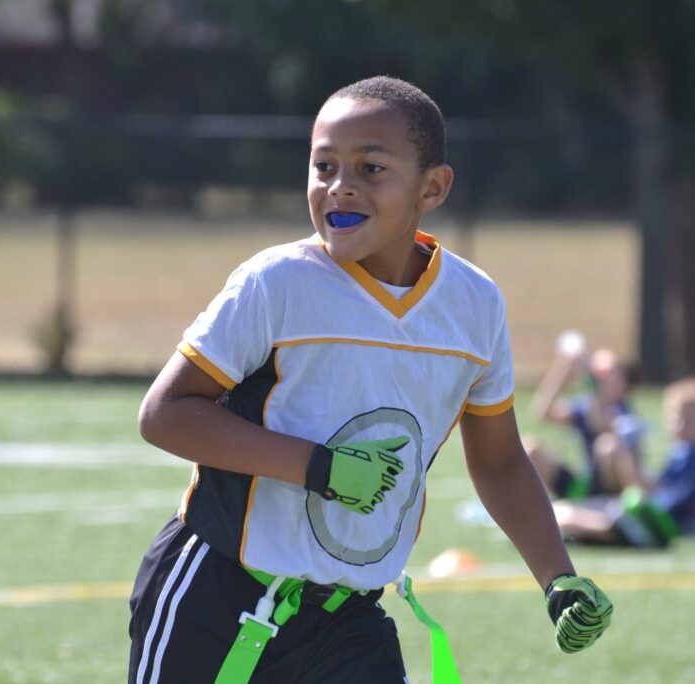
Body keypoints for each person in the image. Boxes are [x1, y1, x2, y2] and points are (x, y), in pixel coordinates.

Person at [129, 76, 612, 683]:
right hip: (216, 594)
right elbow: (166, 412)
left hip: (348, 619)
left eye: (372, 168)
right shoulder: (276, 283)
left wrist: (556, 576)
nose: (341, 186)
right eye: (323, 165)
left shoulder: (475, 305)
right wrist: (318, 467)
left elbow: (500, 461)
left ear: (432, 187)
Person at [554, 377, 695, 548]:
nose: (676, 424)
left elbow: (660, 500)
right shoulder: (682, 451)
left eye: (685, 419)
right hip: (648, 521)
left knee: (565, 517)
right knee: (564, 511)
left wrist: (627, 454)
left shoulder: (688, 454)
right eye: (674, 417)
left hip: (652, 526)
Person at [525, 338, 645, 500]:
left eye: (608, 373)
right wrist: (561, 372)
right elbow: (543, 413)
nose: (601, 378)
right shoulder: (587, 405)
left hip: (612, 489)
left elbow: (602, 424)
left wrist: (590, 380)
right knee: (530, 448)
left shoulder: (624, 409)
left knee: (608, 446)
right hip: (587, 484)